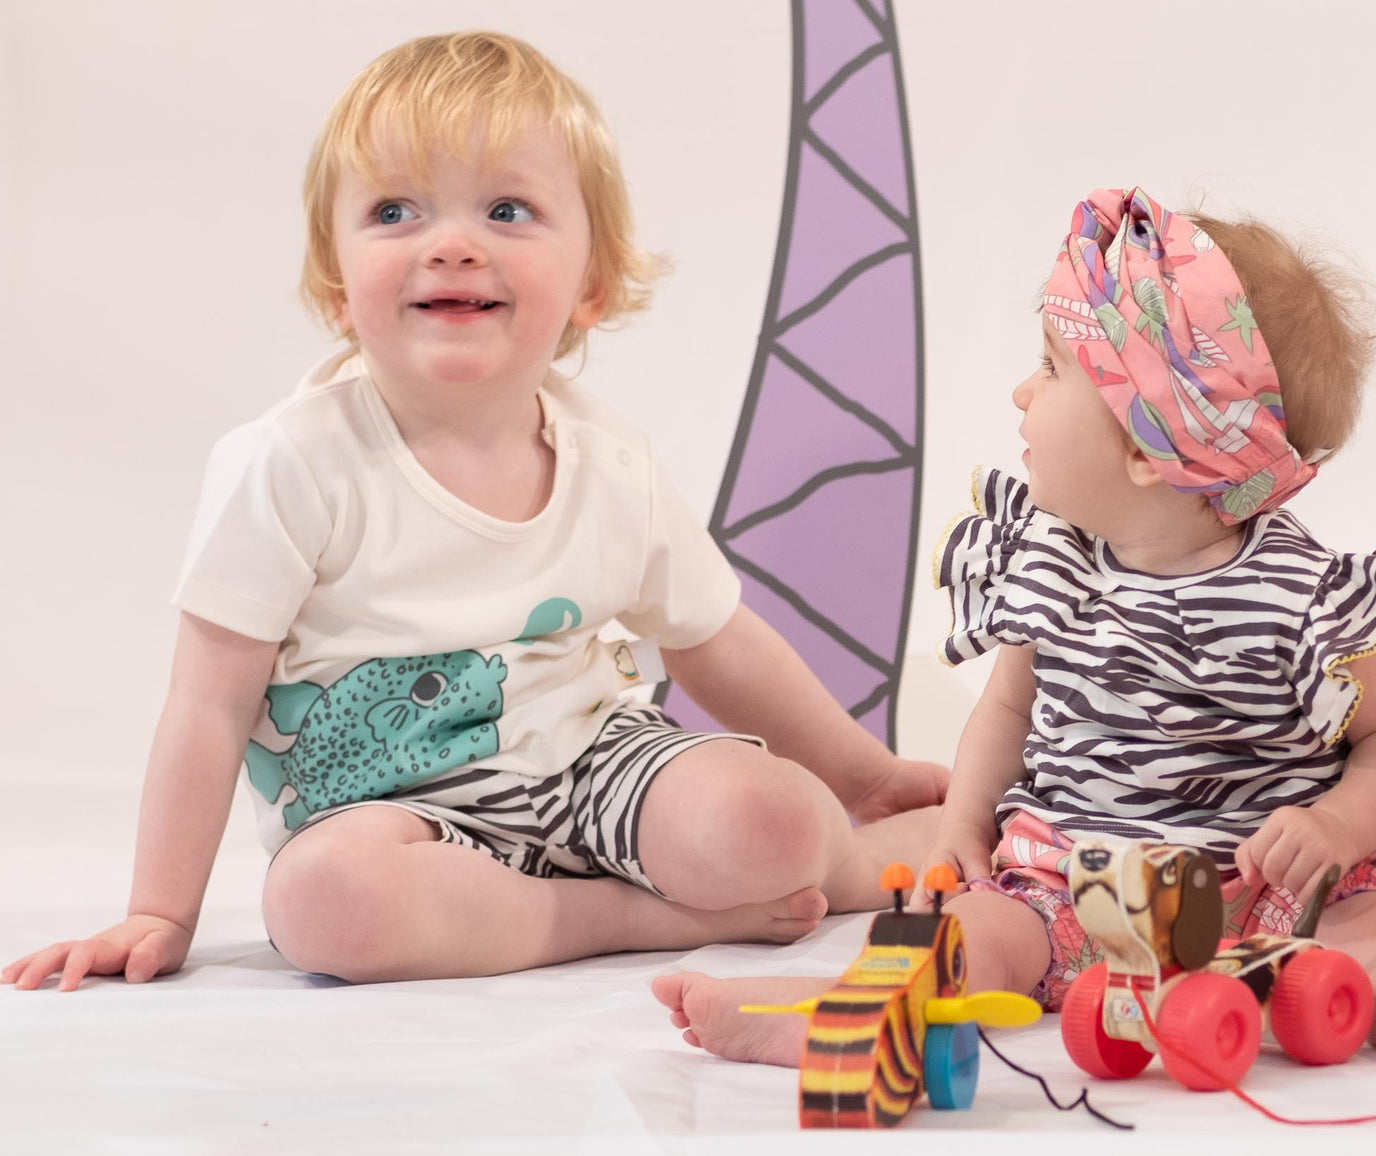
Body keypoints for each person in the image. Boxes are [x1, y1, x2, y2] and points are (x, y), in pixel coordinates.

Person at [2, 31, 947, 992]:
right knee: (323, 906)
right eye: (394, 211)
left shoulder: (613, 463)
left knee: (764, 818)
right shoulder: (290, 463)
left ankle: (863, 859)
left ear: (592, 284)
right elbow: (208, 702)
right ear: (337, 284)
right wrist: (160, 908)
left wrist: (862, 775)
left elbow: (719, 641)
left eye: (506, 209)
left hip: (588, 765)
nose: (450, 243)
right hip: (387, 817)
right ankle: (620, 918)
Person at [653, 188, 1376, 1065]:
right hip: (1079, 882)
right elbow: (1005, 711)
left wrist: (1335, 827)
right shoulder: (1049, 559)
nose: (1021, 391)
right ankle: (845, 1014)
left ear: (1153, 448)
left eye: (1053, 369)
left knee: (1375, 935)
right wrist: (962, 828)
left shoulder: (1299, 593)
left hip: (1273, 891)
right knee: (978, 931)